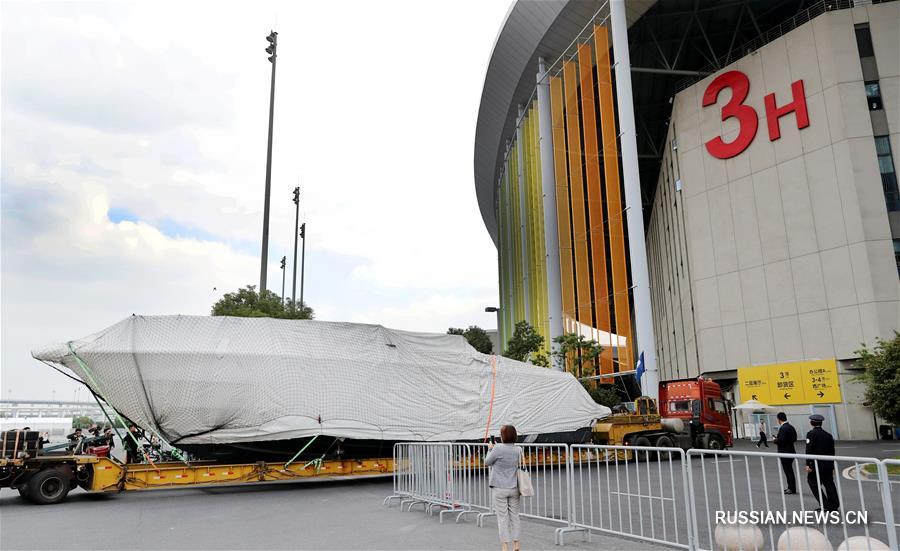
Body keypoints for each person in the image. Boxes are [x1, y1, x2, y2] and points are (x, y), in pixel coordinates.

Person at [484, 425, 522, 551]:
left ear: (503, 436)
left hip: (499, 487)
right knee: (514, 516)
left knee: (502, 517)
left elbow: (487, 462)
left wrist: (490, 449)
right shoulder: (518, 450)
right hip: (514, 487)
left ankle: (505, 546)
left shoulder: (498, 449)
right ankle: (516, 543)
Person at [804, 414, 839, 512]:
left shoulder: (811, 434)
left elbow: (809, 450)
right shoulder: (828, 435)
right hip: (828, 464)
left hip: (816, 465)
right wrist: (831, 465)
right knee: (829, 484)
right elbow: (832, 451)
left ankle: (825, 504)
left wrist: (809, 465)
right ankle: (834, 504)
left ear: (811, 423)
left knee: (813, 483)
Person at [773, 412, 797, 494]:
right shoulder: (791, 427)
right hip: (791, 450)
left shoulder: (783, 428)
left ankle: (791, 488)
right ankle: (791, 487)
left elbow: (781, 440)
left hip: (784, 452)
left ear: (779, 419)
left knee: (788, 471)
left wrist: (775, 440)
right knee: (790, 470)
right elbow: (794, 438)